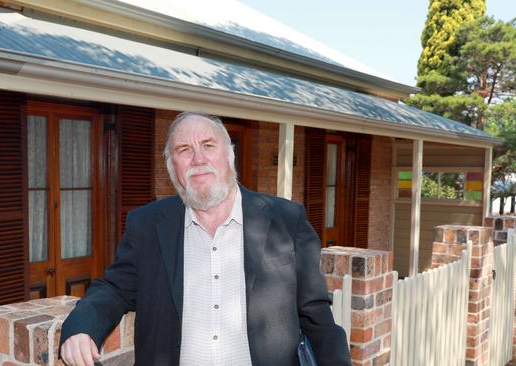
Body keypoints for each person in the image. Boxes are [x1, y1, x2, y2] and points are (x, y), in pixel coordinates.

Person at [59, 112, 351, 366]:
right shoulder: (147, 225)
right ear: (173, 168)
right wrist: (80, 328)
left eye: (208, 145)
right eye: (184, 150)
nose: (198, 159)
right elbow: (114, 289)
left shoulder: (287, 220)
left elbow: (316, 315)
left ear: (229, 155)